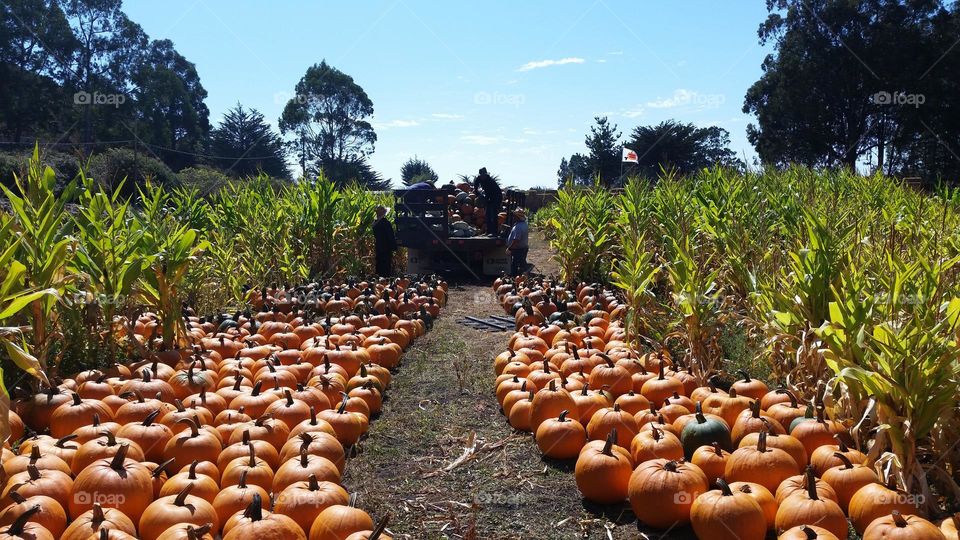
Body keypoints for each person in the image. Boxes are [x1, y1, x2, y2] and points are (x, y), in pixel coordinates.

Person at [473, 167, 503, 236]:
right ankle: (488, 231)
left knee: (493, 215)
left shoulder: (490, 181)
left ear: (486, 174)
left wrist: (485, 199)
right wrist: (478, 194)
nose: (482, 176)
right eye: (481, 175)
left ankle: (494, 232)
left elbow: (492, 193)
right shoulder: (479, 178)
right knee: (487, 215)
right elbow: (475, 186)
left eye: (484, 174)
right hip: (489, 197)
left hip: (496, 198)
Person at [372, 205, 397, 276]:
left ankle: (378, 280)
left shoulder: (375, 224)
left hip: (378, 247)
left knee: (379, 265)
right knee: (386, 266)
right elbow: (390, 236)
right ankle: (385, 281)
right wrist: (394, 247)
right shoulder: (386, 223)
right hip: (386, 248)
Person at [506, 207, 529, 276]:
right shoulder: (524, 224)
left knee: (515, 266)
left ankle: (515, 279)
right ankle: (522, 277)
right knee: (522, 264)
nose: (513, 217)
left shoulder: (518, 227)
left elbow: (516, 240)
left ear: (517, 217)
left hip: (518, 250)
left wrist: (509, 248)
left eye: (514, 216)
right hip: (523, 248)